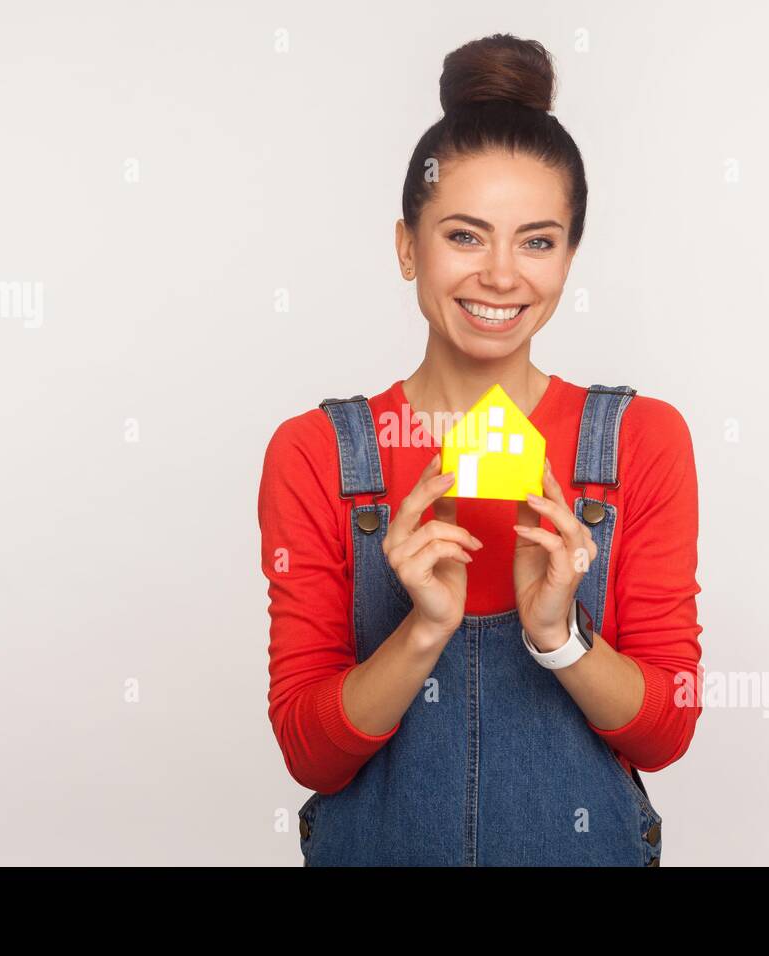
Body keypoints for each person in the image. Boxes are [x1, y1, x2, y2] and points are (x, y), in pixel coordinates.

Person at [257, 33, 703, 866]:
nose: (502, 275)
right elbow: (309, 753)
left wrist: (558, 634)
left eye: (537, 241)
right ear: (406, 246)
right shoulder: (317, 453)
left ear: (570, 257)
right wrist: (421, 630)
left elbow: (665, 730)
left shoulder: (642, 441)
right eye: (465, 236)